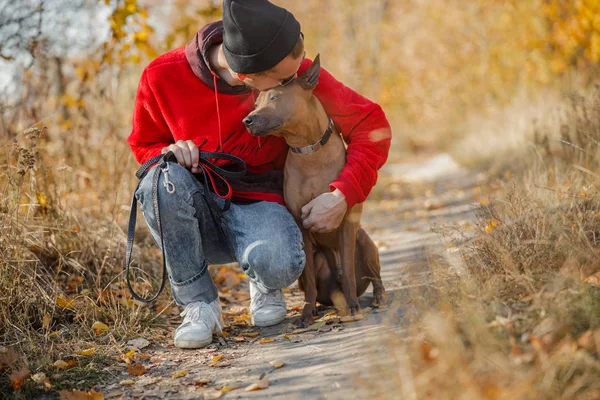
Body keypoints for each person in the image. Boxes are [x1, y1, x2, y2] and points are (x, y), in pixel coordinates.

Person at [127, 0, 392, 349]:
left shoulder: (295, 75)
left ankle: (265, 283)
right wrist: (166, 153)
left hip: (263, 205)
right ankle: (198, 305)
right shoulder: (161, 76)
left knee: (282, 262)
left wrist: (343, 194)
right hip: (197, 205)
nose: (292, 80)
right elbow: (144, 143)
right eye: (282, 80)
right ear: (246, 78)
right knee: (159, 180)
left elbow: (372, 126)